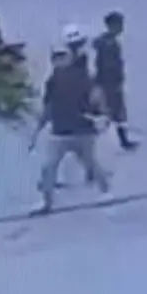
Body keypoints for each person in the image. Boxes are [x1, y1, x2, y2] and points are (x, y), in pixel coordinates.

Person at [28, 47, 112, 214]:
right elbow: (48, 107)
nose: (59, 61)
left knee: (91, 163)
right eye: (56, 58)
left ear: (69, 58)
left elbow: (97, 96)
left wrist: (103, 114)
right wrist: (38, 130)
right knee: (49, 166)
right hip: (60, 132)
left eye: (62, 57)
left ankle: (106, 192)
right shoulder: (52, 81)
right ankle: (46, 202)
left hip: (83, 131)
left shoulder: (82, 77)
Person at [93, 11, 139, 151]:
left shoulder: (107, 42)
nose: (122, 27)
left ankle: (123, 140)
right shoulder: (108, 44)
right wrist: (115, 80)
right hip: (109, 84)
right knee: (112, 113)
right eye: (119, 24)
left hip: (108, 83)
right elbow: (108, 66)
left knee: (114, 113)